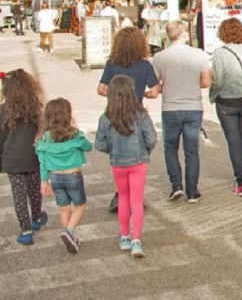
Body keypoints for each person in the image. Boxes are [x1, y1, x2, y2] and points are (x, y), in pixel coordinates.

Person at [98, 27, 161, 213]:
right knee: (136, 155)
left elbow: (101, 89)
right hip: (137, 113)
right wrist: (144, 94)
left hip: (114, 111)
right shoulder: (144, 65)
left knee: (118, 155)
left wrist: (115, 95)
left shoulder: (112, 64)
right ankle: (135, 196)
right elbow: (155, 91)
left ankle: (119, 193)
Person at [96, 75, 156, 258]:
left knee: (123, 198)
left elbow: (100, 143)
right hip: (138, 162)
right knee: (137, 201)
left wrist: (112, 150)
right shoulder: (141, 115)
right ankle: (136, 240)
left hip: (118, 163)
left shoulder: (106, 117)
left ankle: (124, 237)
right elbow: (151, 138)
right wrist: (145, 151)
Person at [153, 21, 211, 203]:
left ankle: (176, 185)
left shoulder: (160, 57)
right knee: (191, 150)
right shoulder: (199, 55)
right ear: (184, 34)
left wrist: (169, 86)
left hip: (170, 107)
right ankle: (192, 191)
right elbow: (206, 82)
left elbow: (155, 85)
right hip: (193, 107)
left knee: (170, 148)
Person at [209, 18, 242, 197]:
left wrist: (213, 95)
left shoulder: (220, 53)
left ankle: (241, 181)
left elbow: (218, 80)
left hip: (227, 102)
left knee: (233, 141)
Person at [36, 98, 93, 254]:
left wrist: (44, 181)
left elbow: (42, 161)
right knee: (80, 206)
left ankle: (70, 236)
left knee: (64, 208)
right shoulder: (74, 134)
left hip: (55, 177)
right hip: (73, 175)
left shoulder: (45, 138)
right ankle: (69, 232)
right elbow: (88, 147)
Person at [0, 69, 47, 245]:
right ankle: (36, 218)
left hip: (12, 159)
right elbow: (42, 131)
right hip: (33, 156)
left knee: (18, 195)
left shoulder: (3, 110)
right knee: (35, 191)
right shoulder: (35, 108)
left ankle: (25, 231)